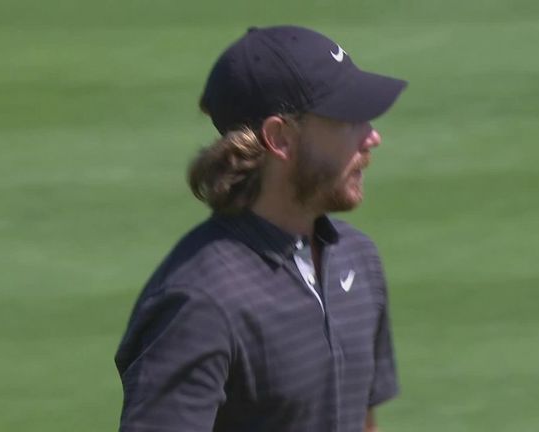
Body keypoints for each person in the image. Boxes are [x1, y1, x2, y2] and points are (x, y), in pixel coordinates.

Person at [115, 25, 407, 432]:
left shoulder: (356, 258)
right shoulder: (201, 300)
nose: (372, 137)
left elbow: (362, 421)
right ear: (280, 138)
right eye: (347, 118)